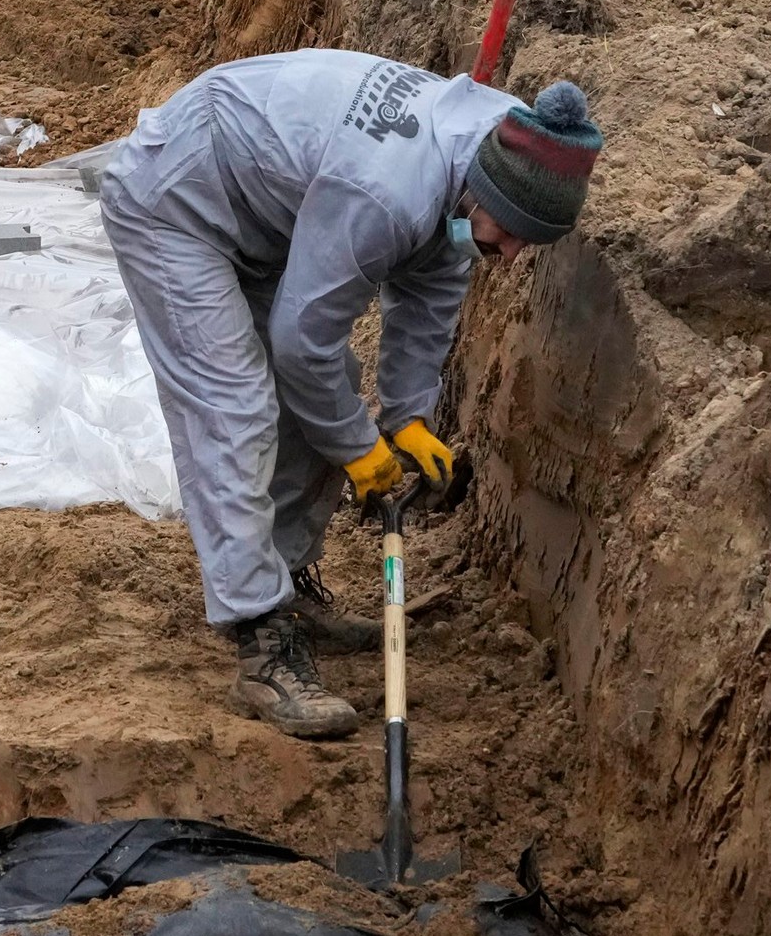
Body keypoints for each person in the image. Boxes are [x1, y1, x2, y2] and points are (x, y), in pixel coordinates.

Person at [98, 52, 603, 740]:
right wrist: (360, 452)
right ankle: (260, 638)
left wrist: (407, 419)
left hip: (269, 206)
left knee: (322, 395)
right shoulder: (387, 195)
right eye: (508, 235)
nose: (511, 256)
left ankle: (288, 581)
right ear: (482, 191)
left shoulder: (495, 148)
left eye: (526, 245)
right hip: (177, 201)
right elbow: (300, 344)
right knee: (234, 412)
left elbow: (431, 292)